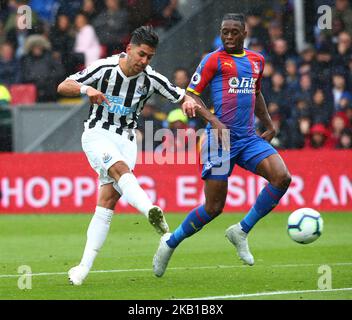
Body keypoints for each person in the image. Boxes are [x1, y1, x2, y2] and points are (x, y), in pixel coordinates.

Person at [57, 25, 199, 285]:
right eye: (141, 54)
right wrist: (86, 90)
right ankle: (150, 211)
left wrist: (191, 103)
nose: (144, 61)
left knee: (108, 201)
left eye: (149, 57)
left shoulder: (151, 78)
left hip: (128, 140)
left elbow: (183, 96)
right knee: (120, 170)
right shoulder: (104, 68)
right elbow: (63, 85)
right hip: (97, 134)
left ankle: (82, 268)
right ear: (129, 49)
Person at [153, 13, 292, 277]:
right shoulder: (213, 60)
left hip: (248, 137)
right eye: (224, 32)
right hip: (220, 139)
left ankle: (241, 230)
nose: (228, 37)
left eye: (233, 32)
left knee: (282, 177)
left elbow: (256, 92)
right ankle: (170, 242)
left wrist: (269, 124)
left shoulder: (256, 61)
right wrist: (214, 122)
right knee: (214, 208)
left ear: (244, 34)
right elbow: (191, 95)